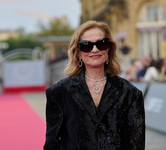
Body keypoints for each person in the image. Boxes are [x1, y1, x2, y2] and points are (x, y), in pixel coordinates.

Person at [44, 21, 145, 150]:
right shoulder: (59, 93)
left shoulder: (131, 94)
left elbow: (137, 145)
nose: (95, 49)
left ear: (109, 48)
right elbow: (51, 144)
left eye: (101, 44)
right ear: (78, 52)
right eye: (86, 45)